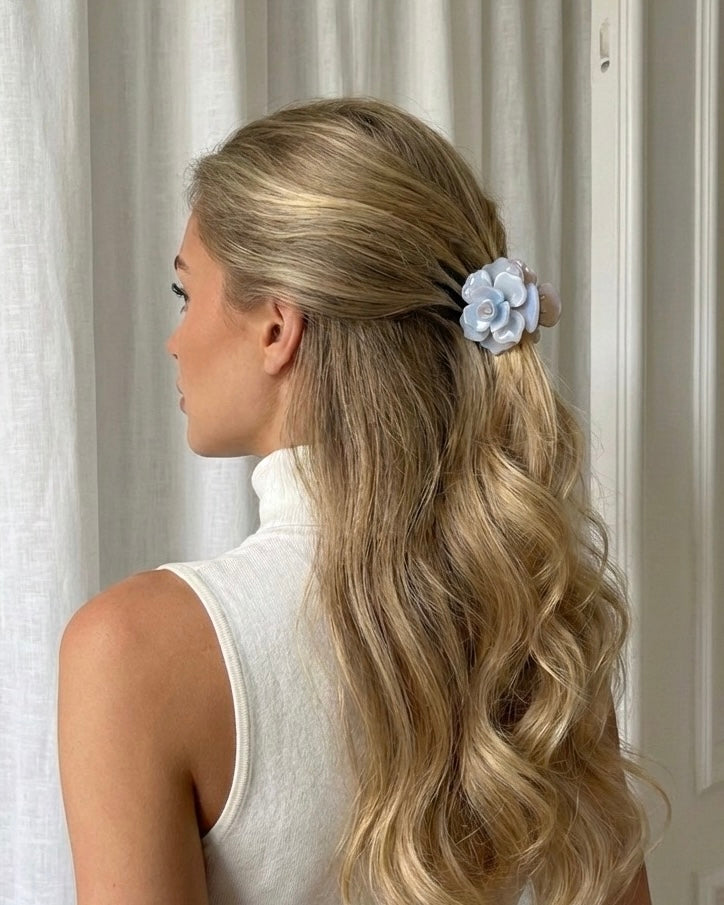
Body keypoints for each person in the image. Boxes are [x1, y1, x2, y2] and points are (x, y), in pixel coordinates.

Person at [58, 97, 667, 905]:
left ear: (277, 327)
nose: (175, 339)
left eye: (184, 293)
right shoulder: (534, 618)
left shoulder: (134, 651)